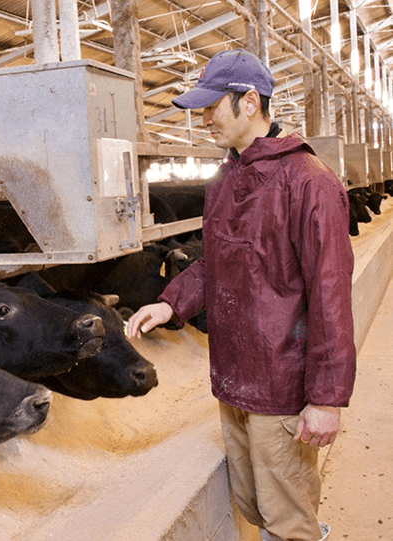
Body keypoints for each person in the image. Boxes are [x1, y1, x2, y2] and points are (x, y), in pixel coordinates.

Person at [127, 49, 356, 541]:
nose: (204, 119)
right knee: (255, 503)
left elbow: (331, 293)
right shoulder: (227, 178)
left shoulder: (309, 182)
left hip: (282, 382)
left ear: (249, 101)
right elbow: (218, 263)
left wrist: (326, 398)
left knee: (286, 517)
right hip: (233, 373)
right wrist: (172, 302)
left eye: (212, 106)